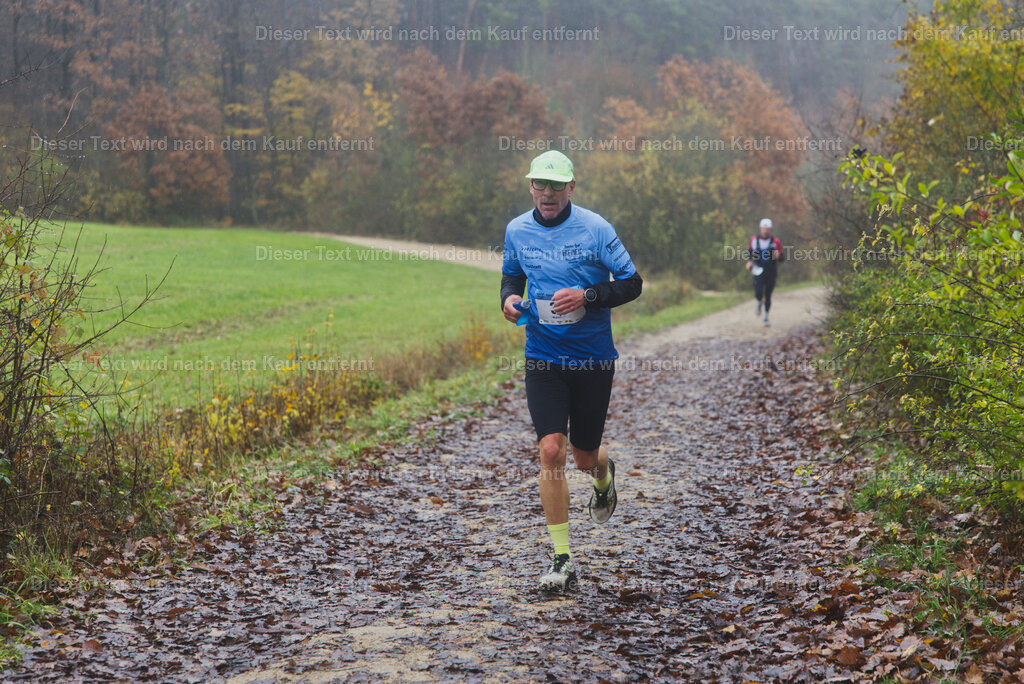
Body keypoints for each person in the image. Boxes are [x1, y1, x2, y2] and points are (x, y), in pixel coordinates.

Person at [500, 150, 643, 592]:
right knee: (549, 451)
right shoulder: (517, 230)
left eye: (556, 187)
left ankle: (603, 473)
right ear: (530, 187)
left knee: (583, 457)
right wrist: (508, 301)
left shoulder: (596, 228)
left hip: (592, 359)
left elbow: (632, 283)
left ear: (571, 188)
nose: (548, 194)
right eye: (540, 185)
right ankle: (562, 557)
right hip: (542, 356)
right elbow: (511, 277)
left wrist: (588, 296)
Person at [745, 218, 783, 327]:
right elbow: (750, 252)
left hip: (771, 270)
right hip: (758, 269)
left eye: (767, 229)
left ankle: (766, 316)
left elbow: (782, 257)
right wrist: (749, 262)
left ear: (770, 230)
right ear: (760, 229)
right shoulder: (754, 240)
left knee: (768, 294)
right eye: (763, 228)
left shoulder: (775, 242)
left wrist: (778, 256)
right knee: (758, 291)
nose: (765, 231)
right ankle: (759, 300)